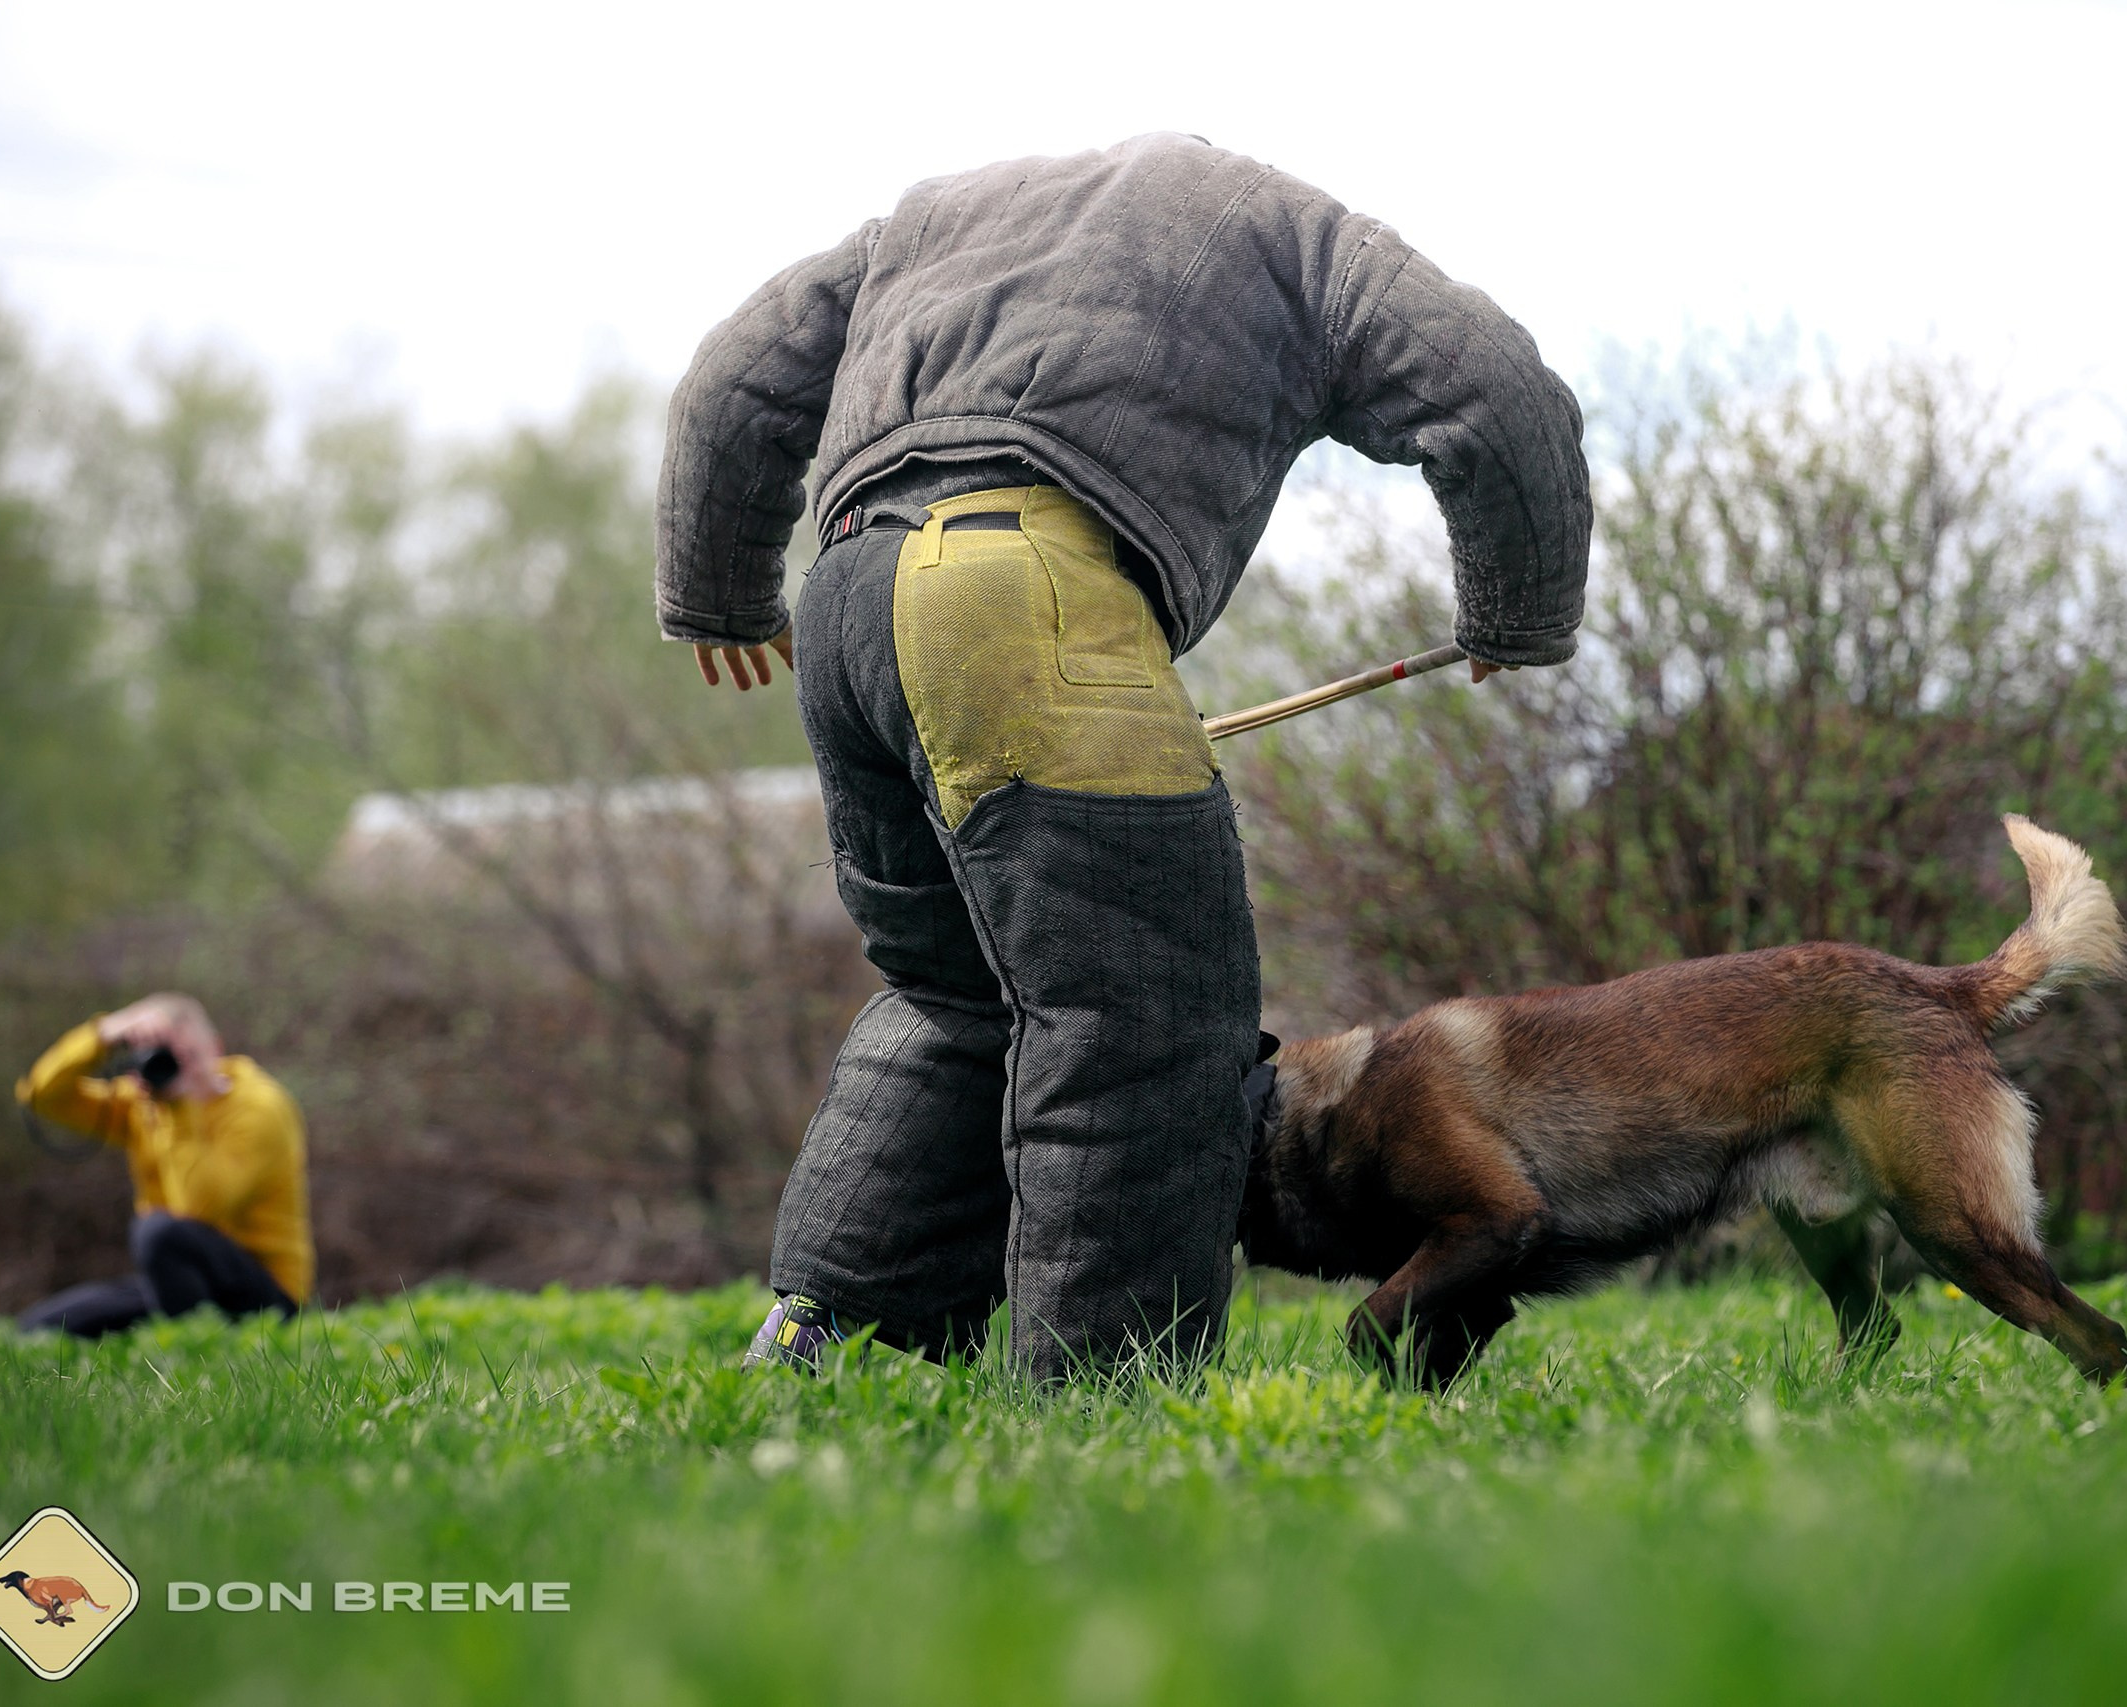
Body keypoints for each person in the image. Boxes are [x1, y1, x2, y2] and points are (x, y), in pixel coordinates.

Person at [657, 133, 1591, 1383]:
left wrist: (720, 593)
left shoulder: (932, 217)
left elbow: (732, 380)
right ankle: (1106, 1390)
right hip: (1016, 596)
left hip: (846, 610)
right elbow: (1495, 386)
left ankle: (826, 1346)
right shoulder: (1286, 230)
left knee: (959, 997)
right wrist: (1518, 611)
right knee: (1145, 1020)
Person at [14, 992, 313, 1336]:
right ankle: (184, 1338)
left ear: (216, 1047)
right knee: (41, 1327)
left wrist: (179, 1108)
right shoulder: (146, 1104)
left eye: (190, 1056)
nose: (180, 1070)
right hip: (180, 1283)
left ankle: (198, 1356)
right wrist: (104, 1033)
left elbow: (197, 1211)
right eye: (169, 1058)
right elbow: (41, 1095)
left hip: (268, 1299)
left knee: (158, 1231)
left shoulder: (259, 1107)